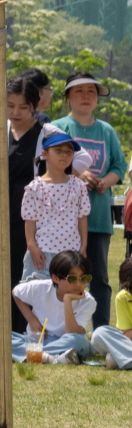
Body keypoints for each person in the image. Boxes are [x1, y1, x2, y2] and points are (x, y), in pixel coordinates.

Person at [52, 73, 127, 325]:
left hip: (98, 215)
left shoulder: (106, 130)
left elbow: (119, 165)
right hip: (63, 217)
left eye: (91, 92)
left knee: (98, 277)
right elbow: (49, 161)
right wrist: (78, 173)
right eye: (78, 91)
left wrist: (105, 181)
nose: (85, 96)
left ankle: (102, 331)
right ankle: (60, 327)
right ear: (67, 97)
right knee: (63, 275)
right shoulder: (59, 127)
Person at [20, 132, 88, 282]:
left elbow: (82, 217)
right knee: (37, 291)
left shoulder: (78, 186)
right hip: (42, 250)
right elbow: (29, 219)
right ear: (44, 154)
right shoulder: (34, 187)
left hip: (71, 251)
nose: (64, 155)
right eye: (58, 151)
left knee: (69, 290)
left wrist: (83, 246)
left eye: (68, 152)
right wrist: (32, 246)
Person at [8, 78, 46, 331]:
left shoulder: (46, 133)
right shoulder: (2, 130)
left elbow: (79, 160)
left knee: (26, 274)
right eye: (9, 106)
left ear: (34, 106)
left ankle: (25, 330)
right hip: (4, 214)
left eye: (23, 107)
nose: (15, 113)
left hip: (31, 219)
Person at [12, 250, 94, 364]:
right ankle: (49, 358)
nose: (79, 284)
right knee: (5, 336)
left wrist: (67, 300)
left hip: (65, 342)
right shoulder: (41, 287)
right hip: (37, 340)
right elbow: (16, 292)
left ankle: (31, 354)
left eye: (84, 279)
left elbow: (72, 333)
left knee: (80, 342)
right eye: (72, 278)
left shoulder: (88, 301)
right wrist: (31, 320)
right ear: (55, 278)